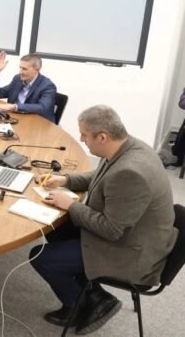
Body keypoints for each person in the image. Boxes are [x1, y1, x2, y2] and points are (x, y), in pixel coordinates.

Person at [30, 105, 177, 334]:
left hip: (132, 251)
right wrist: (66, 180)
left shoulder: (131, 173)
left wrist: (71, 205)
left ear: (102, 137)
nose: (81, 139)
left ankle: (80, 305)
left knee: (41, 257)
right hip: (132, 233)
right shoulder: (127, 147)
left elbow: (111, 230)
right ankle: (94, 294)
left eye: (84, 135)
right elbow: (101, 176)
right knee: (55, 226)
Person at [0, 51, 57, 123]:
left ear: (37, 70)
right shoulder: (17, 79)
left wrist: (14, 107)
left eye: (24, 69)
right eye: (20, 68)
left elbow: (42, 107)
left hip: (37, 124)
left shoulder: (47, 86)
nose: (20, 72)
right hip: (14, 120)